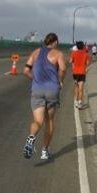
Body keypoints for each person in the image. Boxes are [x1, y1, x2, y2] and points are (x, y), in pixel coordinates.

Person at [22, 32, 66, 160]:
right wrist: (60, 80)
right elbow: (63, 69)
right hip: (52, 90)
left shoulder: (35, 52)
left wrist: (35, 79)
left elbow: (26, 71)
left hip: (37, 90)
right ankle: (44, 151)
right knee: (49, 121)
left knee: (38, 121)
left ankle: (31, 138)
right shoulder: (58, 54)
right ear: (55, 42)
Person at [70, 40, 91, 109]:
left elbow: (70, 61)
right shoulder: (86, 54)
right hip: (82, 72)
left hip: (75, 73)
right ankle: (80, 103)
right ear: (83, 47)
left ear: (77, 47)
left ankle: (76, 101)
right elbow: (87, 63)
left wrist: (74, 64)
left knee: (76, 87)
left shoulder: (73, 53)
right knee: (81, 88)